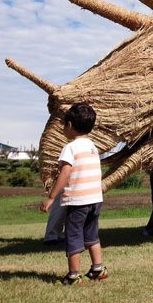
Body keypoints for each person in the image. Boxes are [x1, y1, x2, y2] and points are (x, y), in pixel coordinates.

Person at [40, 103, 108, 285]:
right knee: (92, 235)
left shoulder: (70, 148)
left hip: (78, 201)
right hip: (95, 199)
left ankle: (74, 274)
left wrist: (51, 197)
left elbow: (65, 173)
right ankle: (98, 269)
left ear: (69, 125)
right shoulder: (92, 146)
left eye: (63, 125)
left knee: (73, 236)